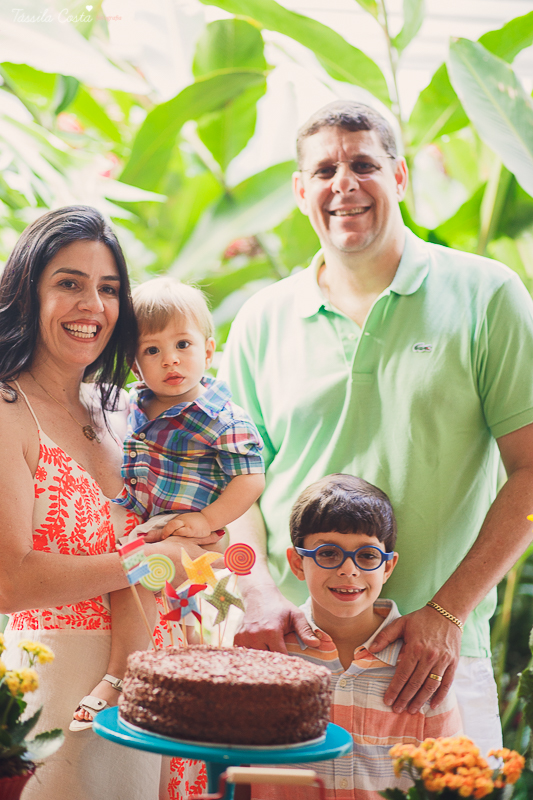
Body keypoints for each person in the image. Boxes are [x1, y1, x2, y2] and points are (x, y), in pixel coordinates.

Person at [218, 100, 533, 754]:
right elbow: (233, 488)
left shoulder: (487, 295)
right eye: (324, 169)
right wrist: (253, 592)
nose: (344, 183)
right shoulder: (260, 320)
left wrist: (447, 613)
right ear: (302, 190)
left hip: (434, 659)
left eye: (363, 163)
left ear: (399, 176)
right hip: (292, 655)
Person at [0, 206, 223, 800]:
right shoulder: (6, 411)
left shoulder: (122, 409)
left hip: (164, 682)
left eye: (108, 289)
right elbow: (9, 580)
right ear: (27, 292)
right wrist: (149, 562)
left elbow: (188, 509)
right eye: (69, 283)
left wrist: (201, 538)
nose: (92, 306)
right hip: (58, 690)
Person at [72, 276, 265, 729]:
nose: (171, 359)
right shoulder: (136, 405)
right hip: (146, 520)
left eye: (182, 344)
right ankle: (125, 673)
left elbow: (250, 478)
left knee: (201, 612)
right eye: (152, 351)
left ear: (209, 350)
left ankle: (193, 684)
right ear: (136, 365)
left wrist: (207, 519)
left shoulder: (219, 415)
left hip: (193, 529)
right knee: (127, 579)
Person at [252, 474, 462, 800]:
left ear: (388, 567)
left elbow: (451, 781)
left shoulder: (420, 662)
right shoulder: (271, 652)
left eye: (366, 556)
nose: (348, 570)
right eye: (328, 554)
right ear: (297, 562)